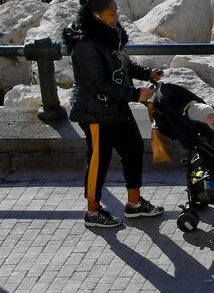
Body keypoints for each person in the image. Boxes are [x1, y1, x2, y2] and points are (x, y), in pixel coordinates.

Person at [63, 0, 164, 228]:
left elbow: (122, 65)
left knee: (134, 148)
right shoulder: (85, 44)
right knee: (99, 160)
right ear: (96, 15)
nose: (115, 17)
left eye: (116, 12)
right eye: (111, 14)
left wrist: (148, 74)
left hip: (116, 106)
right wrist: (136, 94)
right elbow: (98, 84)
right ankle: (92, 211)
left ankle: (134, 203)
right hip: (95, 112)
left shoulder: (109, 33)